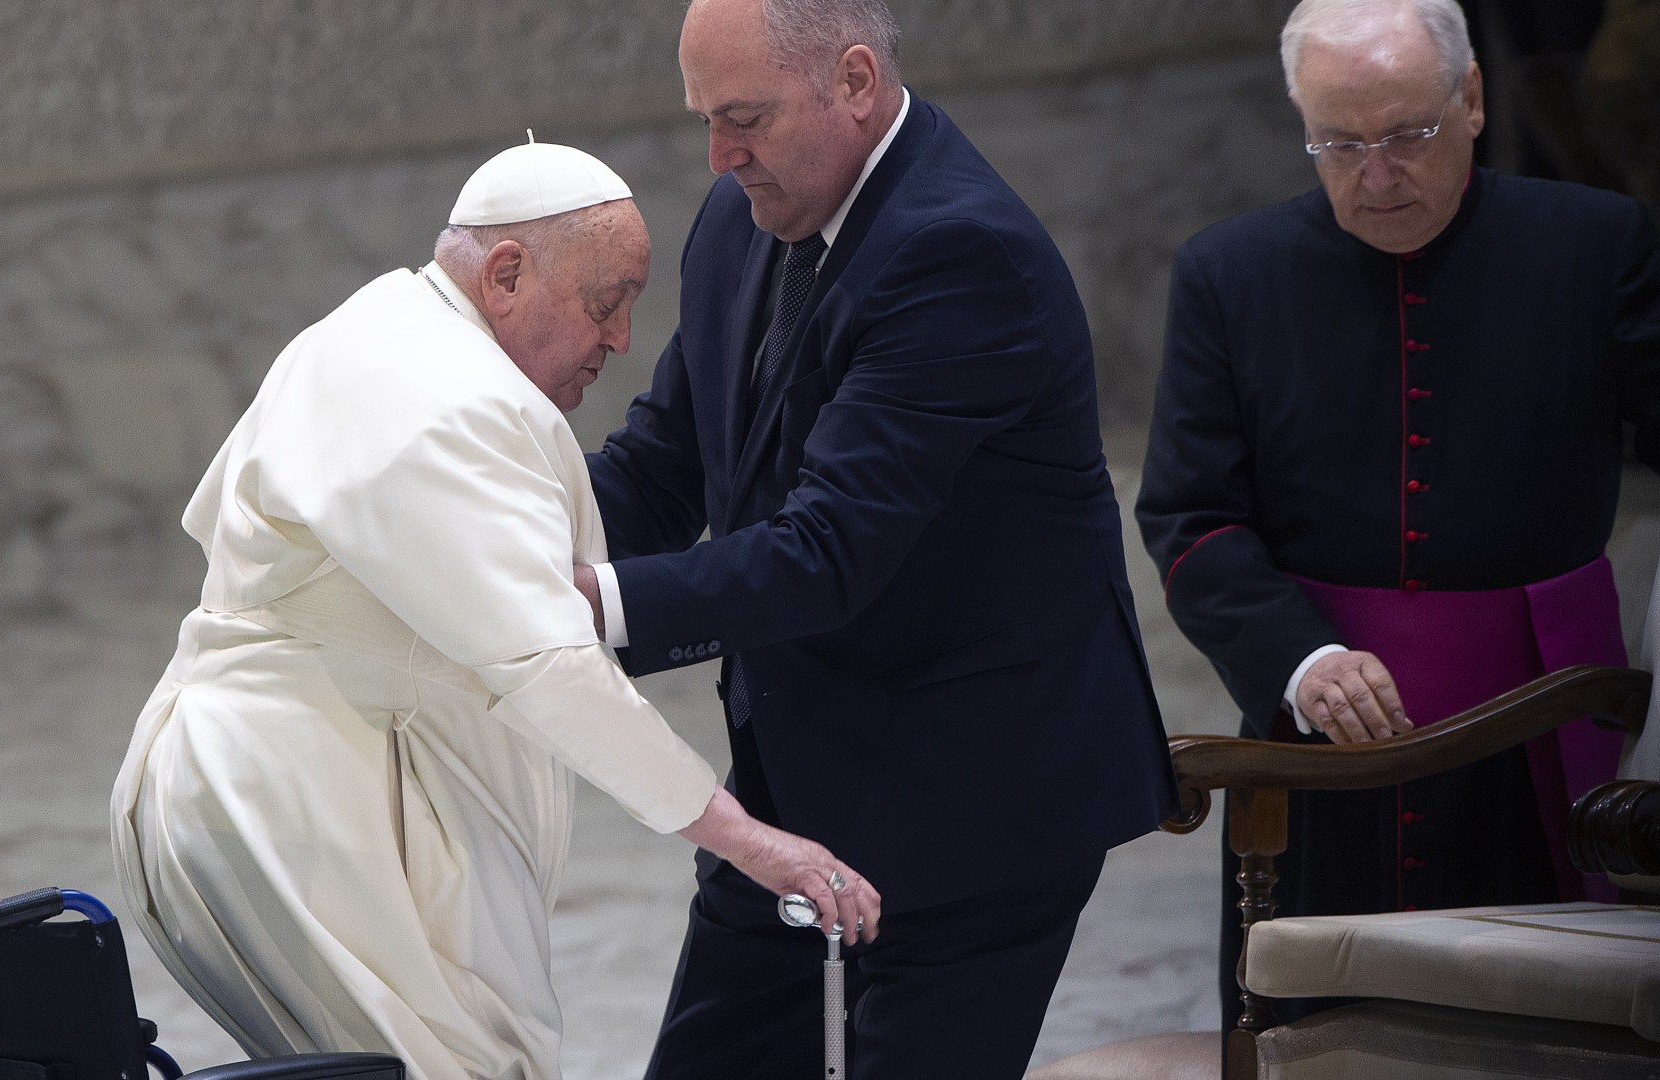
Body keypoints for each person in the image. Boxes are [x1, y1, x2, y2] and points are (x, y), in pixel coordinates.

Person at [109, 141, 880, 1080]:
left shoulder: (388, 327)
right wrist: (755, 845)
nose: (623, 338)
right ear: (507, 273)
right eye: (606, 302)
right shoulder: (443, 397)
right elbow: (549, 665)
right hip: (303, 809)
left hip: (254, 791)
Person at [572, 0, 1180, 1073]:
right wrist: (504, 537)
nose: (719, 156)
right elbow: (668, 459)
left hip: (980, 791)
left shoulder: (958, 252)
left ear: (853, 81)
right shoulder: (740, 219)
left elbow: (829, 551)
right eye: (704, 119)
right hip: (805, 758)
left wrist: (595, 608)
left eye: (744, 117)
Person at [1135, 0, 1660, 1033]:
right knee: (1321, 1027)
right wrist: (1300, 660)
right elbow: (1193, 520)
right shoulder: (1228, 275)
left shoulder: (1594, 245)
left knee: (1545, 1035)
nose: (1377, 175)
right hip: (1320, 748)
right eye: (1341, 142)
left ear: (1471, 100)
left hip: (1545, 722)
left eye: (1407, 135)